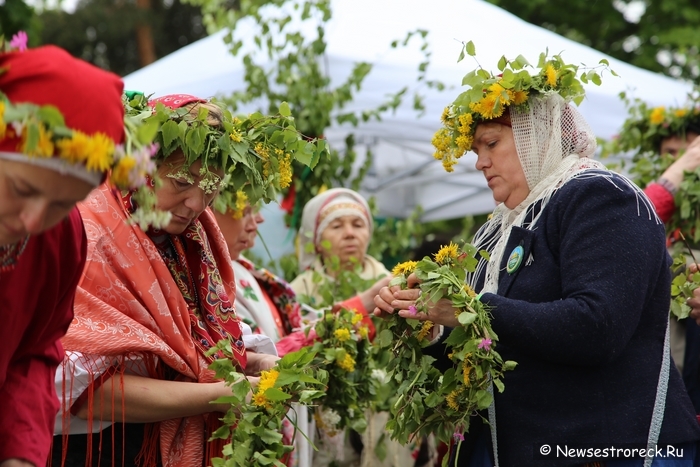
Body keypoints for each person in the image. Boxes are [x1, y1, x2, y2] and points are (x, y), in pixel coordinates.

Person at [374, 53, 700, 466]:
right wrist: (428, 324)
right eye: (476, 150)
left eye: (491, 143)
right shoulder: (497, 228)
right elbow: (489, 344)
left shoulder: (600, 196)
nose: (480, 162)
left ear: (538, 134)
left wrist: (471, 309)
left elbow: (597, 326)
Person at [51, 94, 286, 466]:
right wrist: (223, 392)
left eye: (211, 186)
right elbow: (82, 388)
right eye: (180, 182)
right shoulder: (90, 234)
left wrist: (252, 362)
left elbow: (192, 344)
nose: (197, 203)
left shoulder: (189, 242)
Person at [0, 44, 157, 467]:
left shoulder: (62, 238)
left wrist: (21, 450)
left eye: (61, 203)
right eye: (22, 189)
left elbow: (33, 352)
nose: (33, 220)